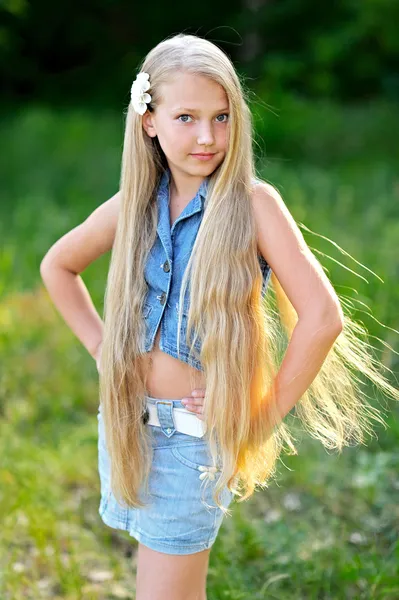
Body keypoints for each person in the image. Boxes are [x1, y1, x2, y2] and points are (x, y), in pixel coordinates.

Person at [39, 33, 399, 600]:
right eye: (186, 117)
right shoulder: (136, 203)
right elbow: (59, 266)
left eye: (222, 117)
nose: (208, 137)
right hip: (129, 428)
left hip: (192, 439)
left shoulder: (254, 206)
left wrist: (259, 416)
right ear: (149, 121)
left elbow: (323, 317)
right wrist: (102, 347)